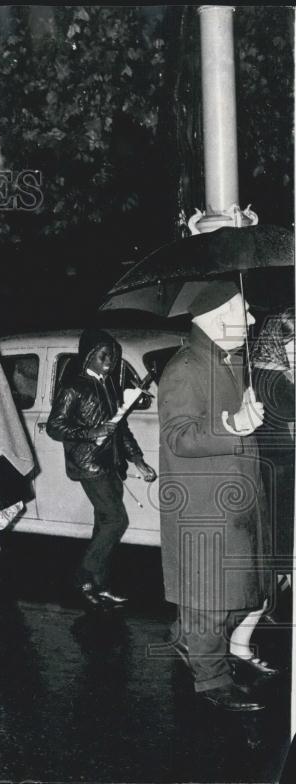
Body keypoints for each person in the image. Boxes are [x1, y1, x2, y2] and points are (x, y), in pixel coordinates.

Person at [159, 281, 273, 712]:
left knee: (235, 590)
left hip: (233, 497)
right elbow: (178, 438)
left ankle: (186, 638)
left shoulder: (225, 360)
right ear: (212, 318)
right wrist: (233, 426)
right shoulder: (184, 369)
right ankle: (212, 682)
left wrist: (243, 412)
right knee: (211, 594)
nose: (250, 319)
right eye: (242, 312)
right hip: (205, 503)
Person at [46, 328, 156, 609]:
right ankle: (81, 575)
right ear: (88, 357)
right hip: (89, 463)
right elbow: (55, 427)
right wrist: (91, 431)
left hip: (111, 462)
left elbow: (121, 428)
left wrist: (138, 459)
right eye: (103, 356)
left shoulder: (109, 386)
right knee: (116, 521)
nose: (109, 361)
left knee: (102, 526)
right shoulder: (73, 387)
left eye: (113, 356)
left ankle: (98, 585)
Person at [251, 307, 294, 577]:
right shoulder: (269, 375)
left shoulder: (271, 368)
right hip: (277, 464)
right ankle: (279, 584)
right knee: (281, 528)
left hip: (280, 460)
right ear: (281, 340)